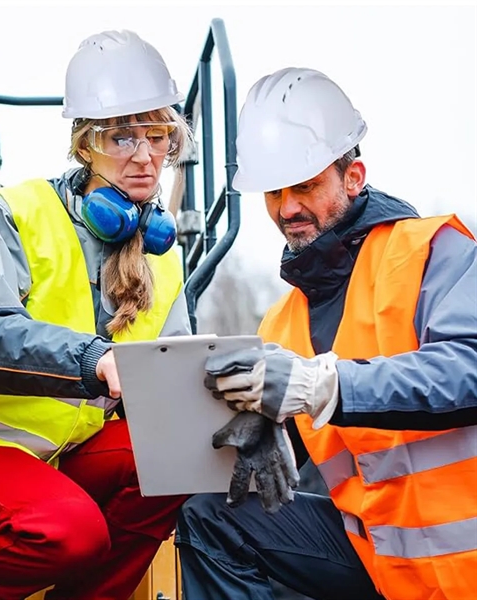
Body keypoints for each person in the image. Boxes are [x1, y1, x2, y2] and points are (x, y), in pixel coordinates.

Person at [0, 29, 194, 600]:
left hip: (45, 462)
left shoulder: (163, 261)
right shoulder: (17, 214)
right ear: (84, 146)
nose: (145, 153)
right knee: (67, 530)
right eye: (122, 136)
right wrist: (95, 359)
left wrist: (229, 413)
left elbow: (170, 389)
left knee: (173, 456)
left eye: (159, 135)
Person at [175, 67, 477, 600]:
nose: (287, 208)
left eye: (306, 185)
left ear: (353, 177)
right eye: (274, 191)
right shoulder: (280, 324)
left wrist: (325, 387)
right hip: (382, 566)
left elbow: (468, 372)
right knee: (213, 518)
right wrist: (265, 435)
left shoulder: (432, 252)